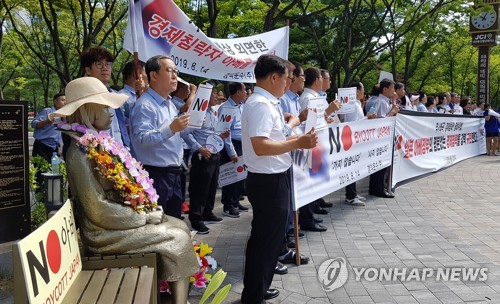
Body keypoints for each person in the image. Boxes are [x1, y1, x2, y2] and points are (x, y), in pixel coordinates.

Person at [53, 77, 198, 304]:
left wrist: (144, 206)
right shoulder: (78, 153)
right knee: (177, 237)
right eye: (105, 108)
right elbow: (97, 208)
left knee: (180, 225)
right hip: (102, 231)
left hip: (117, 219)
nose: (112, 113)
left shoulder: (96, 143)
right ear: (88, 112)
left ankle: (173, 296)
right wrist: (143, 216)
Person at [240, 54, 318, 304]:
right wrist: (299, 141)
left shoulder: (268, 102)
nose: (289, 83)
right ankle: (253, 295)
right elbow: (261, 146)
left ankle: (259, 288)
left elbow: (277, 134)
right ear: (274, 77)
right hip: (268, 181)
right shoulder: (261, 105)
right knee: (266, 241)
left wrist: (296, 121)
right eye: (286, 78)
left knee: (268, 240)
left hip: (273, 177)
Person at [129, 55, 190, 219]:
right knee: (158, 224)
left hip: (174, 174)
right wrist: (171, 128)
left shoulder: (169, 103)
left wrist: (190, 126)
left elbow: (176, 135)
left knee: (174, 222)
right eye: (169, 71)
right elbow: (142, 140)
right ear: (153, 75)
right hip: (155, 175)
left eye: (176, 71)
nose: (175, 76)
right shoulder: (144, 105)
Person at [181, 85, 228, 234]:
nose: (216, 96)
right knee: (199, 188)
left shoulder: (213, 113)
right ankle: (196, 219)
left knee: (211, 186)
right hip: (202, 155)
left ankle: (208, 211)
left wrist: (222, 136)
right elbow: (185, 133)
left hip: (214, 153)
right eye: (213, 94)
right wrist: (199, 147)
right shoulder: (197, 113)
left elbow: (211, 133)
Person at [80, 46, 130, 148]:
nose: (105, 68)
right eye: (99, 64)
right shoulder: (83, 98)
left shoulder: (115, 95)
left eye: (108, 64)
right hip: (97, 153)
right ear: (88, 70)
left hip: (121, 151)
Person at [218, 82, 249, 218]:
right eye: (244, 90)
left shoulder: (241, 106)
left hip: (242, 143)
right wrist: (232, 152)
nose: (246, 92)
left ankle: (236, 201)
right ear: (237, 92)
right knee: (230, 177)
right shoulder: (226, 108)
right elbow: (225, 132)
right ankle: (228, 205)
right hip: (231, 144)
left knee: (240, 176)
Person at [368, 78, 399, 198]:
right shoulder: (380, 101)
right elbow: (380, 122)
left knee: (381, 164)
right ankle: (378, 189)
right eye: (392, 88)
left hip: (384, 138)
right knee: (380, 164)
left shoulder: (386, 101)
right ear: (385, 89)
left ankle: (376, 188)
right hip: (380, 138)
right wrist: (393, 112)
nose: (393, 91)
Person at [343, 80, 367, 206]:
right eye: (362, 89)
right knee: (351, 168)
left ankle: (353, 193)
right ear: (357, 90)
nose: (364, 92)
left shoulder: (356, 103)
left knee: (354, 167)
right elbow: (353, 124)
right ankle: (350, 195)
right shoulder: (352, 104)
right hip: (351, 140)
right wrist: (368, 118)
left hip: (355, 140)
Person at [32, 93, 65, 162]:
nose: (65, 102)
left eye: (66, 101)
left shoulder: (61, 115)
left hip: (54, 147)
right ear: (55, 101)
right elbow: (34, 124)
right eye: (63, 100)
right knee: (41, 169)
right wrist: (46, 121)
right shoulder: (47, 111)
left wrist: (59, 148)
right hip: (42, 145)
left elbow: (57, 132)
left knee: (53, 170)